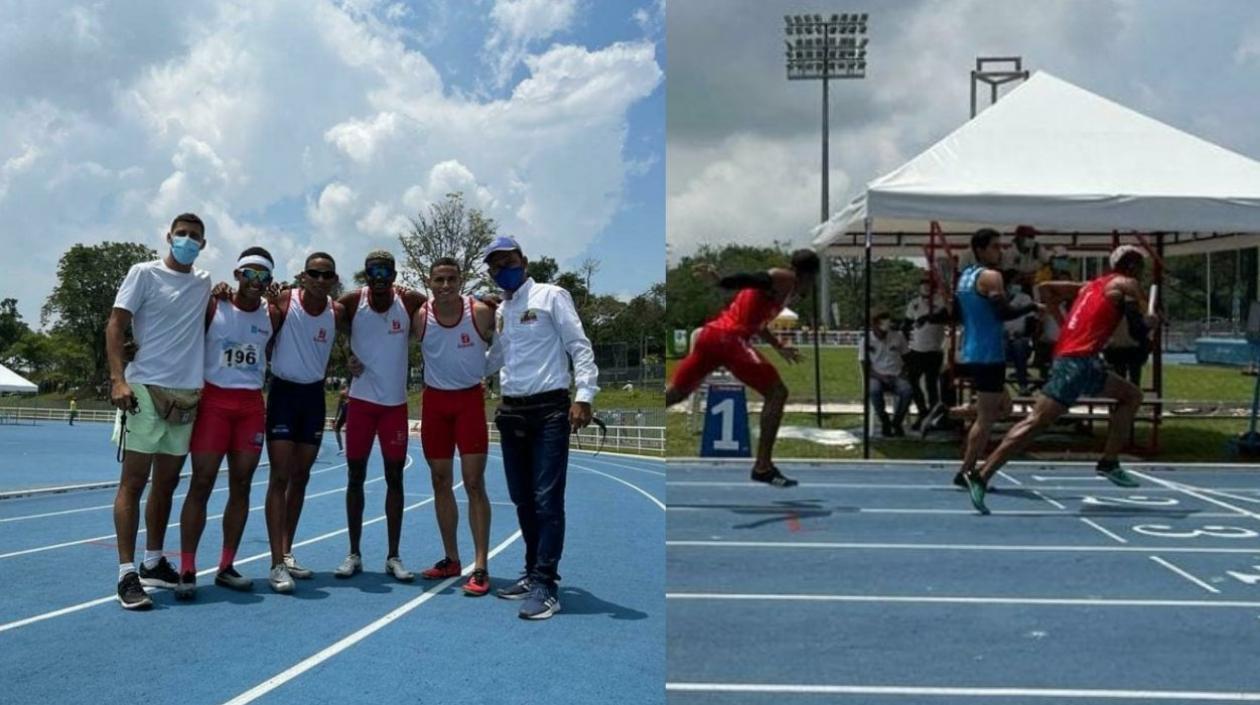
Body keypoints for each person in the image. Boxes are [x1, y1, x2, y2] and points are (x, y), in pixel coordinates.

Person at [963, 246, 1156, 514]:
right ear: (1132, 266)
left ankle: (1109, 462)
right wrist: (1150, 321)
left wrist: (1064, 322)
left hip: (1085, 361)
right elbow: (1139, 327)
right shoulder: (1127, 283)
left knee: (1131, 396)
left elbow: (1045, 289)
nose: (1142, 272)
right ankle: (982, 475)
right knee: (1036, 422)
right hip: (1075, 363)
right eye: (1141, 266)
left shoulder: (1091, 286)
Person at [483, 236, 599, 620]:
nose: (503, 270)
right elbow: (495, 357)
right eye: (495, 265)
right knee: (522, 499)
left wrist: (584, 395)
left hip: (549, 410)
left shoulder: (551, 296)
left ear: (524, 261)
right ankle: (532, 571)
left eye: (508, 261)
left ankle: (547, 584)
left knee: (547, 500)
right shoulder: (501, 310)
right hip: (511, 412)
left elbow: (579, 346)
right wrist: (457, 367)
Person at [106, 213, 212, 610]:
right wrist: (118, 379)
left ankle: (152, 562)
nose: (187, 240)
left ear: (203, 244)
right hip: (144, 391)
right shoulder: (143, 273)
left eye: (194, 236)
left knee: (167, 484)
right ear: (169, 237)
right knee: (133, 482)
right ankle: (126, 573)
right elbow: (115, 325)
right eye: (181, 233)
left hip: (185, 396)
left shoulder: (204, 283)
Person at [664, 249, 822, 488]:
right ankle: (763, 467)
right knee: (777, 393)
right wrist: (721, 281)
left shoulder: (783, 291)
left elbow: (758, 325)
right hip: (730, 339)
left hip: (712, 337)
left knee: (677, 393)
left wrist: (779, 346)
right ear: (809, 275)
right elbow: (753, 278)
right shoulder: (785, 278)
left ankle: (638, 413)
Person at [174, 247, 275, 599]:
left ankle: (226, 565)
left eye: (263, 276)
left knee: (242, 485)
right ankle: (187, 568)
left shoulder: (272, 314)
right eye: (250, 273)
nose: (256, 281)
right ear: (237, 275)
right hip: (214, 403)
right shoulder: (213, 306)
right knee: (201, 482)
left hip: (250, 406)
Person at [336, 251, 426, 581]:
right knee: (355, 477)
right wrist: (347, 355)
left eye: (385, 271)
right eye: (373, 271)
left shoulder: (410, 301)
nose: (379, 277)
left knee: (395, 478)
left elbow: (442, 305)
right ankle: (354, 553)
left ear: (394, 274)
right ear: (365, 274)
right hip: (361, 403)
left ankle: (393, 556)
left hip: (394, 406)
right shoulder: (351, 302)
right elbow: (322, 317)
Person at [926, 230, 1039, 488]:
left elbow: (955, 314)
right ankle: (966, 471)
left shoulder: (966, 277)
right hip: (989, 353)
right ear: (980, 249)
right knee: (986, 418)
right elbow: (1003, 313)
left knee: (1005, 408)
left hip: (974, 350)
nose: (1000, 251)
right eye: (995, 247)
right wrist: (1032, 306)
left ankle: (948, 412)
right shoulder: (991, 277)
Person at [413, 258, 496, 596]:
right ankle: (451, 558)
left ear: (460, 281)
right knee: (439, 481)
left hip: (469, 403)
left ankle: (481, 565)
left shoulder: (480, 312)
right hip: (435, 404)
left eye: (451, 279)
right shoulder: (420, 317)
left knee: (474, 483)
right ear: (429, 282)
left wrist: (486, 371)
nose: (445, 285)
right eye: (439, 280)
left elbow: (510, 342)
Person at [263, 252, 345, 592]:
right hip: (283, 393)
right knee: (279, 476)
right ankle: (275, 563)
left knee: (301, 477)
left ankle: (287, 551)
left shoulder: (337, 312)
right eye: (315, 273)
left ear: (334, 280)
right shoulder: (285, 300)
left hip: (313, 396)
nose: (321, 280)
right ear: (303, 276)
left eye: (327, 275)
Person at [902, 276, 948, 430]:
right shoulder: (914, 303)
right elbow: (907, 324)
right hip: (916, 349)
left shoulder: (941, 301)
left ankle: (933, 416)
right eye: (923, 285)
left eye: (929, 285)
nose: (926, 287)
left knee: (931, 385)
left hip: (934, 350)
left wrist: (927, 317)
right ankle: (923, 412)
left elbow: (944, 316)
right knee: (912, 381)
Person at [858, 310, 913, 436]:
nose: (883, 333)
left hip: (896, 374)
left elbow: (908, 358)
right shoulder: (865, 341)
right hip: (876, 376)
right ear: (874, 326)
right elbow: (865, 366)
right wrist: (880, 376)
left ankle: (897, 422)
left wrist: (904, 372)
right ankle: (885, 420)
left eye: (885, 331)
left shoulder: (898, 336)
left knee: (908, 391)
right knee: (874, 391)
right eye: (880, 330)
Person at [1004, 274, 1036, 395]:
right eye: (1013, 283)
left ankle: (1023, 385)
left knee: (1019, 347)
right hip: (1002, 339)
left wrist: (1024, 334)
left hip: (1020, 337)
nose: (1016, 286)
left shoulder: (1025, 298)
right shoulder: (999, 298)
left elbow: (1030, 321)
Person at [333, 384, 349, 455]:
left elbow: (338, 408)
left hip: (348, 415)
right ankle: (341, 448)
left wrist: (336, 418)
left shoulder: (348, 396)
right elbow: (338, 408)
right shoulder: (342, 397)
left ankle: (343, 448)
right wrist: (335, 419)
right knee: (337, 429)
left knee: (347, 431)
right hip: (345, 415)